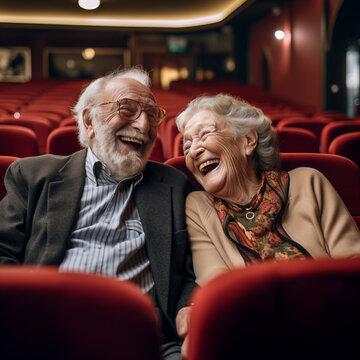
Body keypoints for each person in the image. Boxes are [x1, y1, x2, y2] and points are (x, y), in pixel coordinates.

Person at [0, 67, 196, 360]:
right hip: (46, 337)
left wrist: (187, 307)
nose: (143, 125)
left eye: (151, 115)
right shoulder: (32, 175)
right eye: (127, 110)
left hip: (147, 342)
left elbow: (192, 270)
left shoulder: (173, 183)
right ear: (90, 121)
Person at [176, 93, 360, 286]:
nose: (194, 151)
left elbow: (352, 264)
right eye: (186, 147)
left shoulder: (309, 183)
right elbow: (218, 288)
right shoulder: (197, 207)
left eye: (205, 134)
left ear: (248, 141)